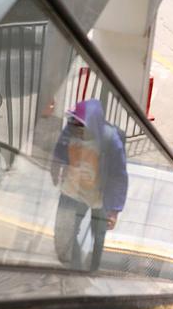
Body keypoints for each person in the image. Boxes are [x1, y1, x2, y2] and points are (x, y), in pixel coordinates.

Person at [51, 99, 128, 272]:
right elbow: (60, 150)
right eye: (74, 124)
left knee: (98, 236)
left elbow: (118, 176)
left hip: (99, 198)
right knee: (63, 233)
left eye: (81, 126)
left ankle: (91, 270)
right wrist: (55, 168)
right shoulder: (70, 130)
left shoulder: (109, 139)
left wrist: (114, 210)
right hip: (71, 191)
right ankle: (75, 269)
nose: (75, 129)